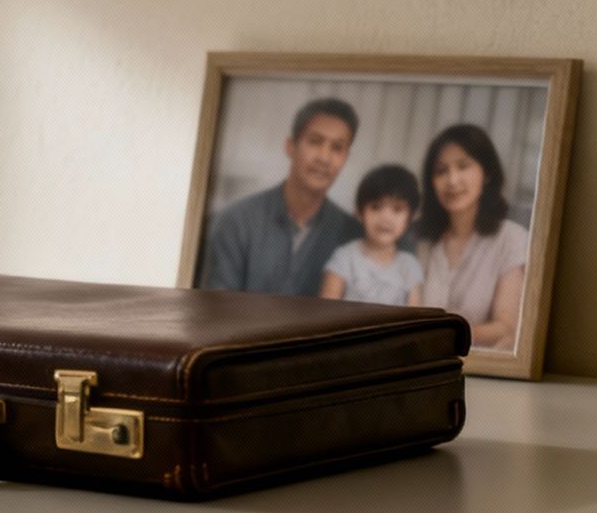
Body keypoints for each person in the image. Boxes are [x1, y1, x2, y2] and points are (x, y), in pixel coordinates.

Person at [200, 97, 363, 296]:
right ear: (290, 146)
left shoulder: (353, 237)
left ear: (346, 158)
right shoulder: (236, 221)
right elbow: (215, 307)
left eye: (337, 148)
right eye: (315, 142)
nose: (324, 158)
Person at [416, 124, 527, 352]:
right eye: (441, 171)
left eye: (463, 166)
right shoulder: (421, 240)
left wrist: (440, 337)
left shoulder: (511, 238)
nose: (452, 180)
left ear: (486, 173)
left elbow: (506, 328)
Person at [318, 164, 424, 306]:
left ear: (409, 219)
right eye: (376, 207)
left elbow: (415, 315)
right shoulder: (344, 258)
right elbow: (325, 309)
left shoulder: (410, 266)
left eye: (397, 209)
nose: (386, 218)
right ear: (359, 213)